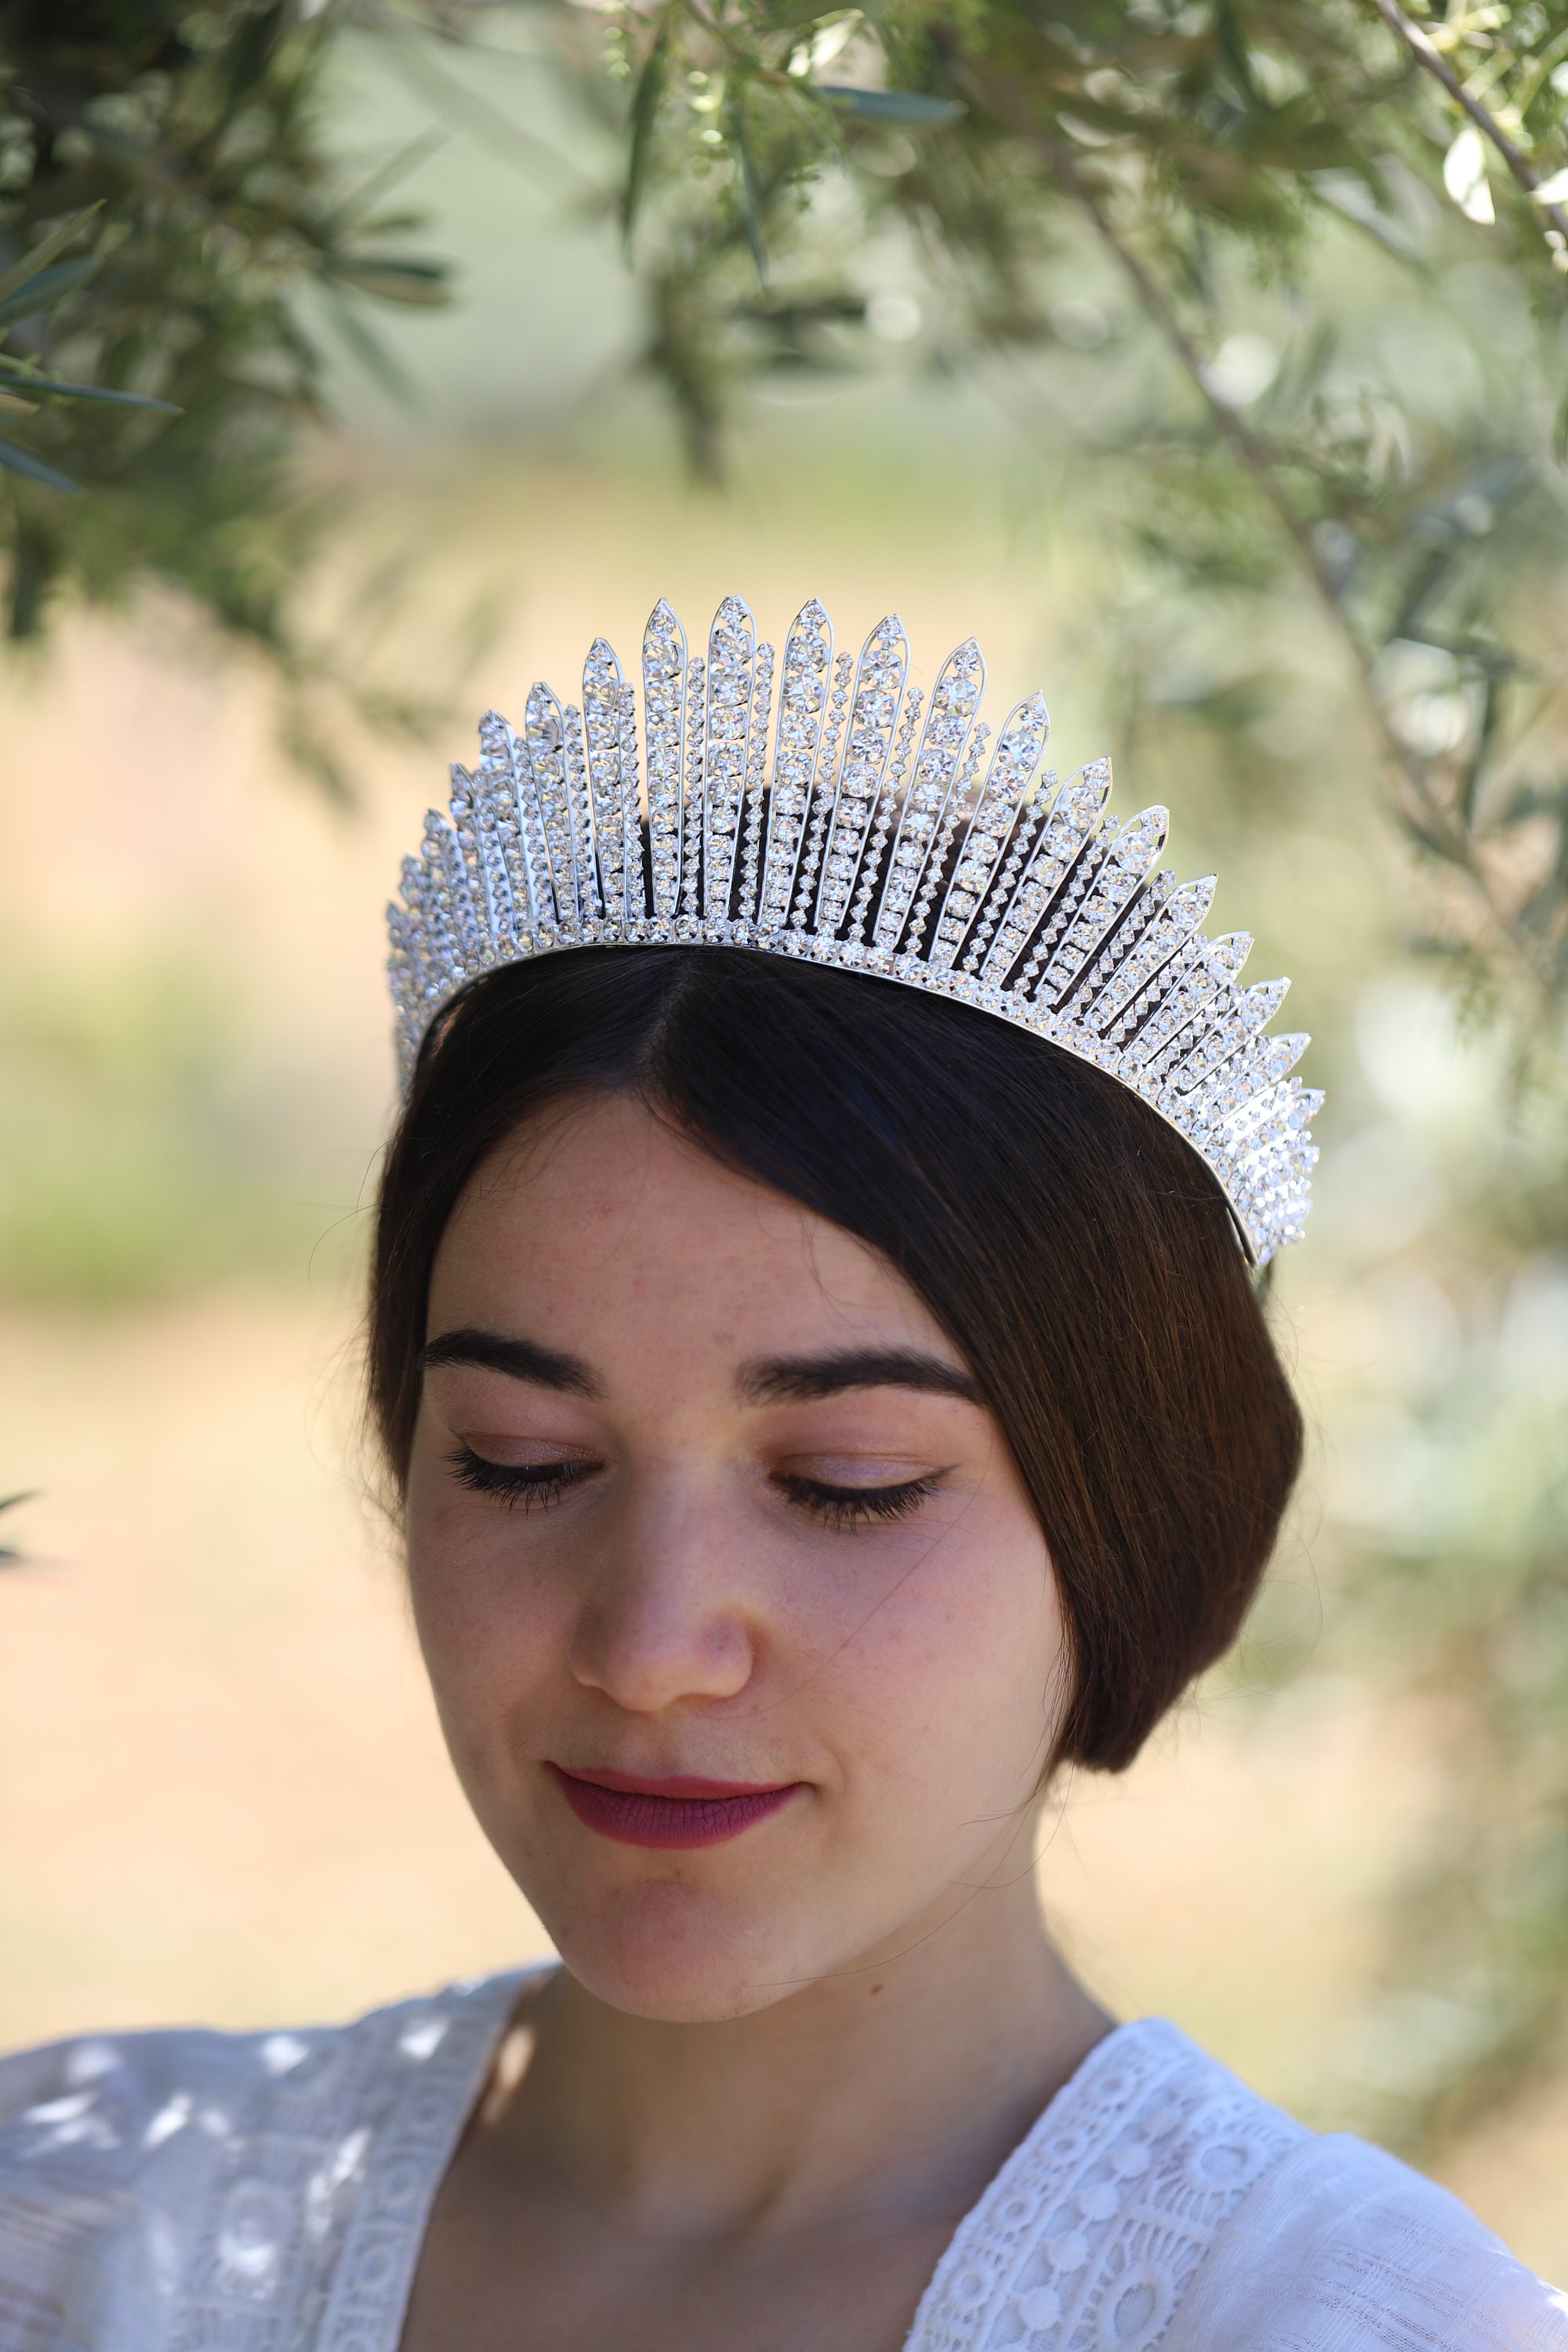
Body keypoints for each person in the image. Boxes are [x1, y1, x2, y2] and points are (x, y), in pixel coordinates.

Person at [2, 598, 1563, 2352]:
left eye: (845, 1480)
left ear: (1128, 1518)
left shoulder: (1337, 2325)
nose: (654, 1646)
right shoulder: (75, 2228)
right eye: (524, 1463)